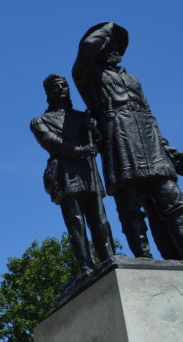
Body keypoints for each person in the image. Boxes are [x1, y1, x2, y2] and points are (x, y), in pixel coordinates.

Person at [73, 22, 183, 261]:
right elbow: (88, 47)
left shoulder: (133, 79)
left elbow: (150, 115)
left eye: (117, 44)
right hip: (119, 139)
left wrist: (168, 150)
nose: (113, 48)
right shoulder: (89, 76)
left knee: (172, 200)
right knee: (129, 206)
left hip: (149, 139)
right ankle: (143, 257)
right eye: (109, 43)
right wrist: (109, 27)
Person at [31, 74, 115, 274]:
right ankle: (86, 266)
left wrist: (92, 129)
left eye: (64, 85)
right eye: (56, 87)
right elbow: (49, 140)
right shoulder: (40, 120)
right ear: (48, 93)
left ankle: (108, 259)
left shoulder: (81, 116)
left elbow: (100, 142)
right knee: (76, 222)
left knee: (100, 219)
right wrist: (78, 150)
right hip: (65, 173)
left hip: (88, 171)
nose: (61, 89)